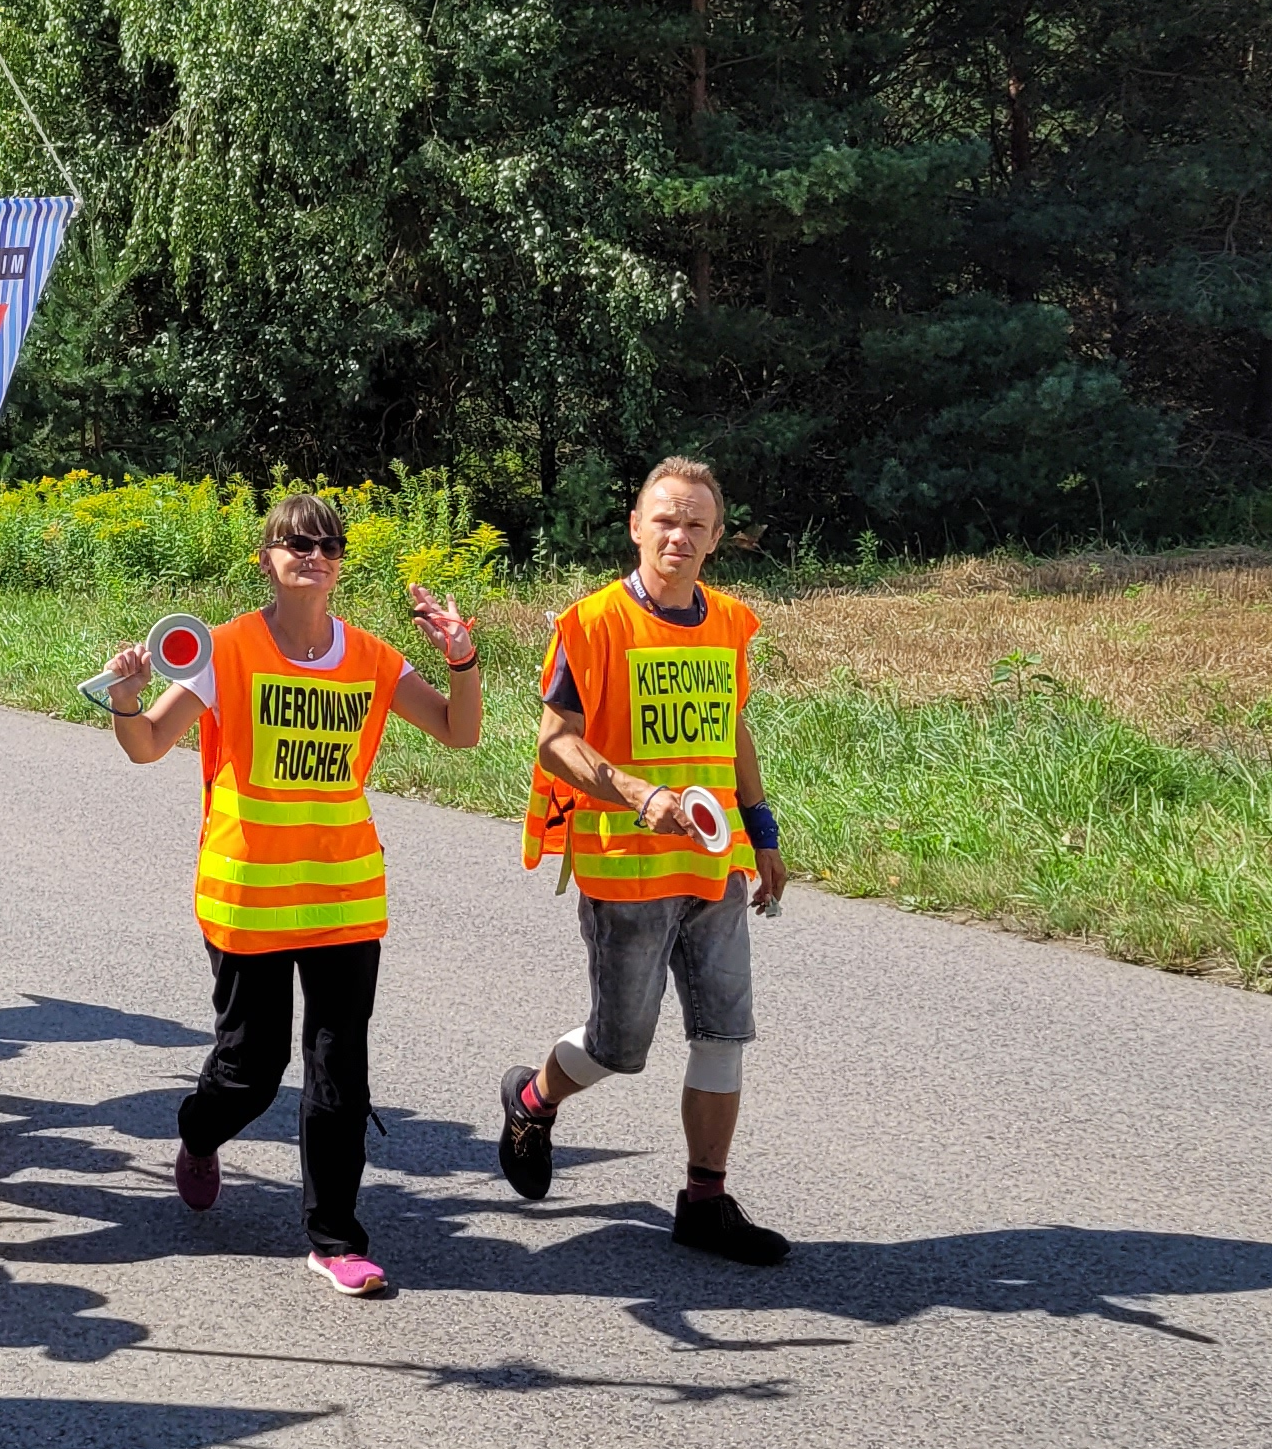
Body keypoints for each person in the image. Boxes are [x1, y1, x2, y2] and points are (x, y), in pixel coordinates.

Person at [104, 491, 482, 1302]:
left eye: (326, 544)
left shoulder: (374, 659)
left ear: (339, 563)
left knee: (340, 1066)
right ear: (266, 559)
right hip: (249, 895)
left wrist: (461, 658)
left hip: (345, 891)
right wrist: (129, 698)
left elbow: (459, 731)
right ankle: (198, 1132)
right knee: (251, 1069)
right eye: (293, 542)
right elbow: (146, 748)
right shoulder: (227, 647)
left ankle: (336, 1237)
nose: (311, 553)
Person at [495, 454, 792, 1264]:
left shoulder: (730, 623)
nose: (679, 534)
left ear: (717, 538)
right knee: (619, 1047)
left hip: (712, 867)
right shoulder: (591, 624)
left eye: (696, 523)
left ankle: (705, 1199)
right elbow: (555, 745)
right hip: (624, 866)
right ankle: (531, 1098)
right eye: (664, 519)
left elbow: (732, 729)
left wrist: (761, 831)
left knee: (723, 1035)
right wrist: (637, 794)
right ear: (635, 526)